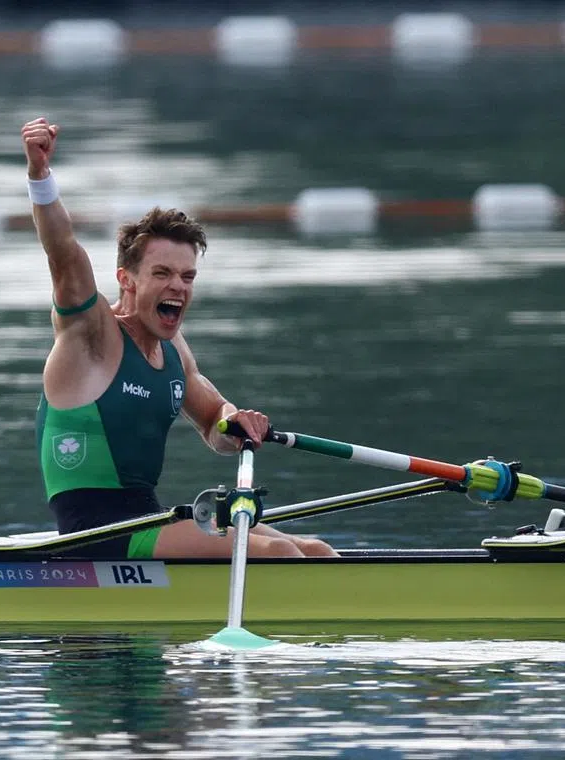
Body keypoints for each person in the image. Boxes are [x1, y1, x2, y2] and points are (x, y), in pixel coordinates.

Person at [22, 116, 338, 560]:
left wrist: (238, 422)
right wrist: (40, 177)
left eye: (187, 276)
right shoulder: (91, 335)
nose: (179, 286)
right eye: (163, 273)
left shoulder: (173, 349)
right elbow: (62, 250)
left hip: (145, 520)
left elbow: (213, 424)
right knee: (280, 556)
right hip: (94, 535)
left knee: (314, 549)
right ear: (126, 280)